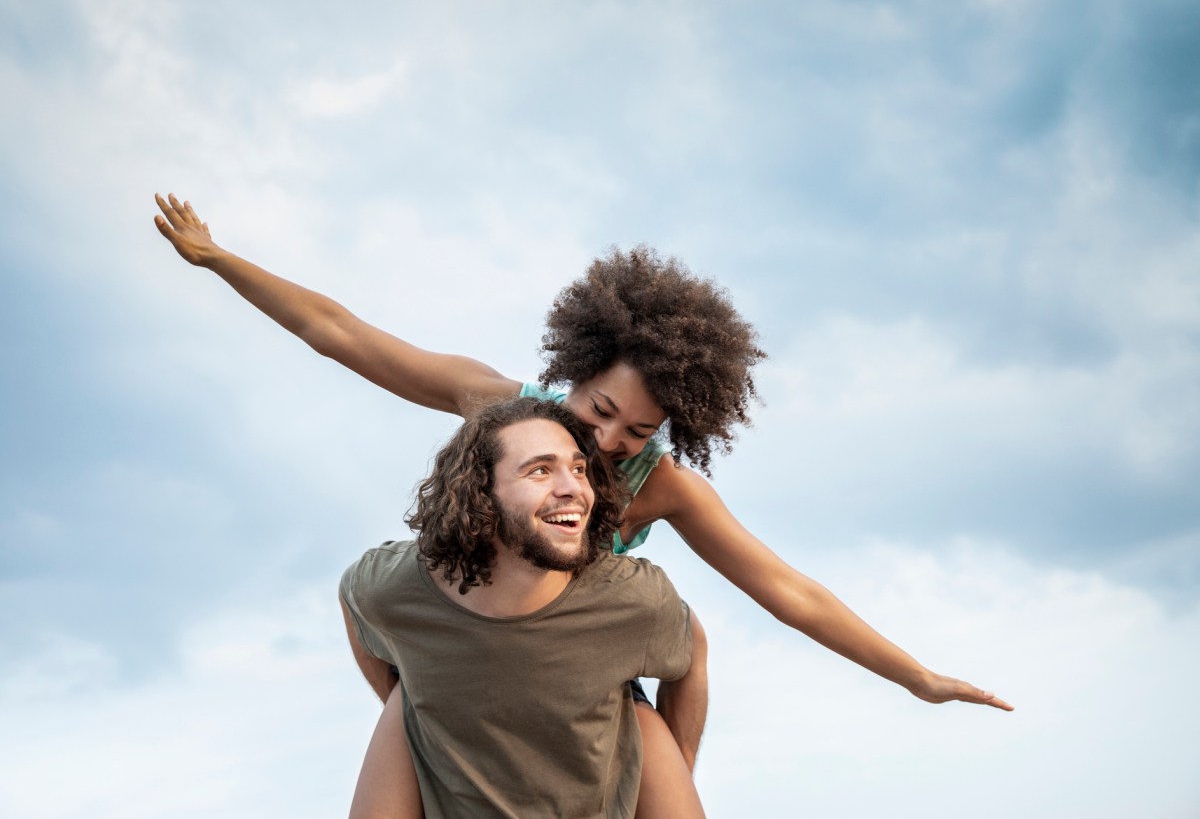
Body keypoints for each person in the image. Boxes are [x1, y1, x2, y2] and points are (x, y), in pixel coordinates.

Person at [153, 193, 1011, 806]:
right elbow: (340, 335)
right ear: (574, 372)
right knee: (412, 675)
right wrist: (222, 260)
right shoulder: (497, 405)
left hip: (589, 676)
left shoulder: (661, 488)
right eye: (598, 411)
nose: (603, 446)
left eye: (635, 433)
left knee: (681, 652)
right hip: (464, 635)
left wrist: (917, 678)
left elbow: (791, 593)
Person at [339, 396, 698, 818]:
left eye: (579, 469)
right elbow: (354, 598)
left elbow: (693, 653)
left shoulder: (631, 600)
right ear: (481, 493)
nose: (573, 488)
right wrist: (419, 702)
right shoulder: (397, 586)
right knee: (406, 701)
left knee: (642, 720)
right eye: (540, 470)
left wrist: (676, 765)